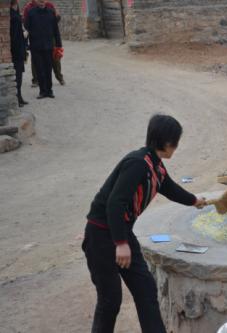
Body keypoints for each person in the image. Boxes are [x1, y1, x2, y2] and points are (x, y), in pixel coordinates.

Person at [82, 114, 207, 332]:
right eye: (175, 142)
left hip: (122, 230)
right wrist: (121, 243)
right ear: (168, 142)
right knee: (110, 300)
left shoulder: (155, 165)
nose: (175, 147)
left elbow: (169, 188)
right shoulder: (137, 163)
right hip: (101, 235)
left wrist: (194, 200)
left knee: (145, 290)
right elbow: (115, 203)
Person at [24, 0, 61, 99]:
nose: (41, 2)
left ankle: (49, 90)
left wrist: (59, 45)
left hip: (48, 46)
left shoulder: (51, 12)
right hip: (36, 47)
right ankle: (42, 91)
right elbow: (26, 29)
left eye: (43, 0)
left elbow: (55, 30)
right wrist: (25, 44)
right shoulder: (31, 13)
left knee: (48, 69)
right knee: (39, 70)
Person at [10, 0, 28, 107]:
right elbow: (15, 36)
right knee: (18, 75)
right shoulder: (14, 17)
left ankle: (19, 97)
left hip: (17, 49)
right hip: (17, 50)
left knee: (19, 74)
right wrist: (24, 35)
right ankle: (17, 98)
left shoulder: (15, 14)